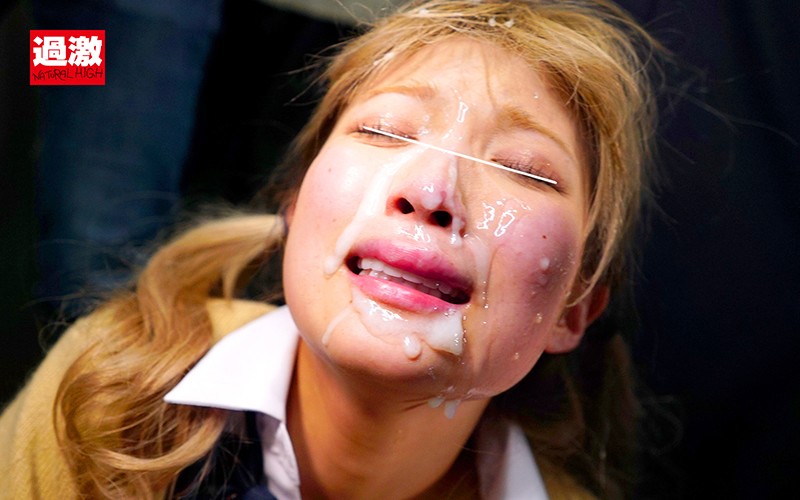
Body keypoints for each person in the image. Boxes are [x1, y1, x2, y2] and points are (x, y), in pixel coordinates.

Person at [0, 0, 660, 497]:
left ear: (575, 307)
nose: (432, 188)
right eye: (383, 131)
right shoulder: (98, 390)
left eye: (524, 170)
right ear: (293, 203)